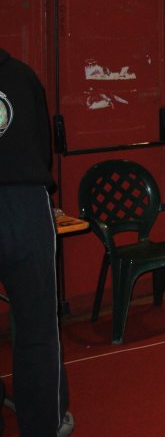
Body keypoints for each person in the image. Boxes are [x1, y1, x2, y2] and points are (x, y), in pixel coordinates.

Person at [0, 48, 74, 436]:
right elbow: (43, 150)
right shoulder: (23, 75)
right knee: (37, 327)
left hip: (24, 198)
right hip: (26, 204)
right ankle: (43, 424)